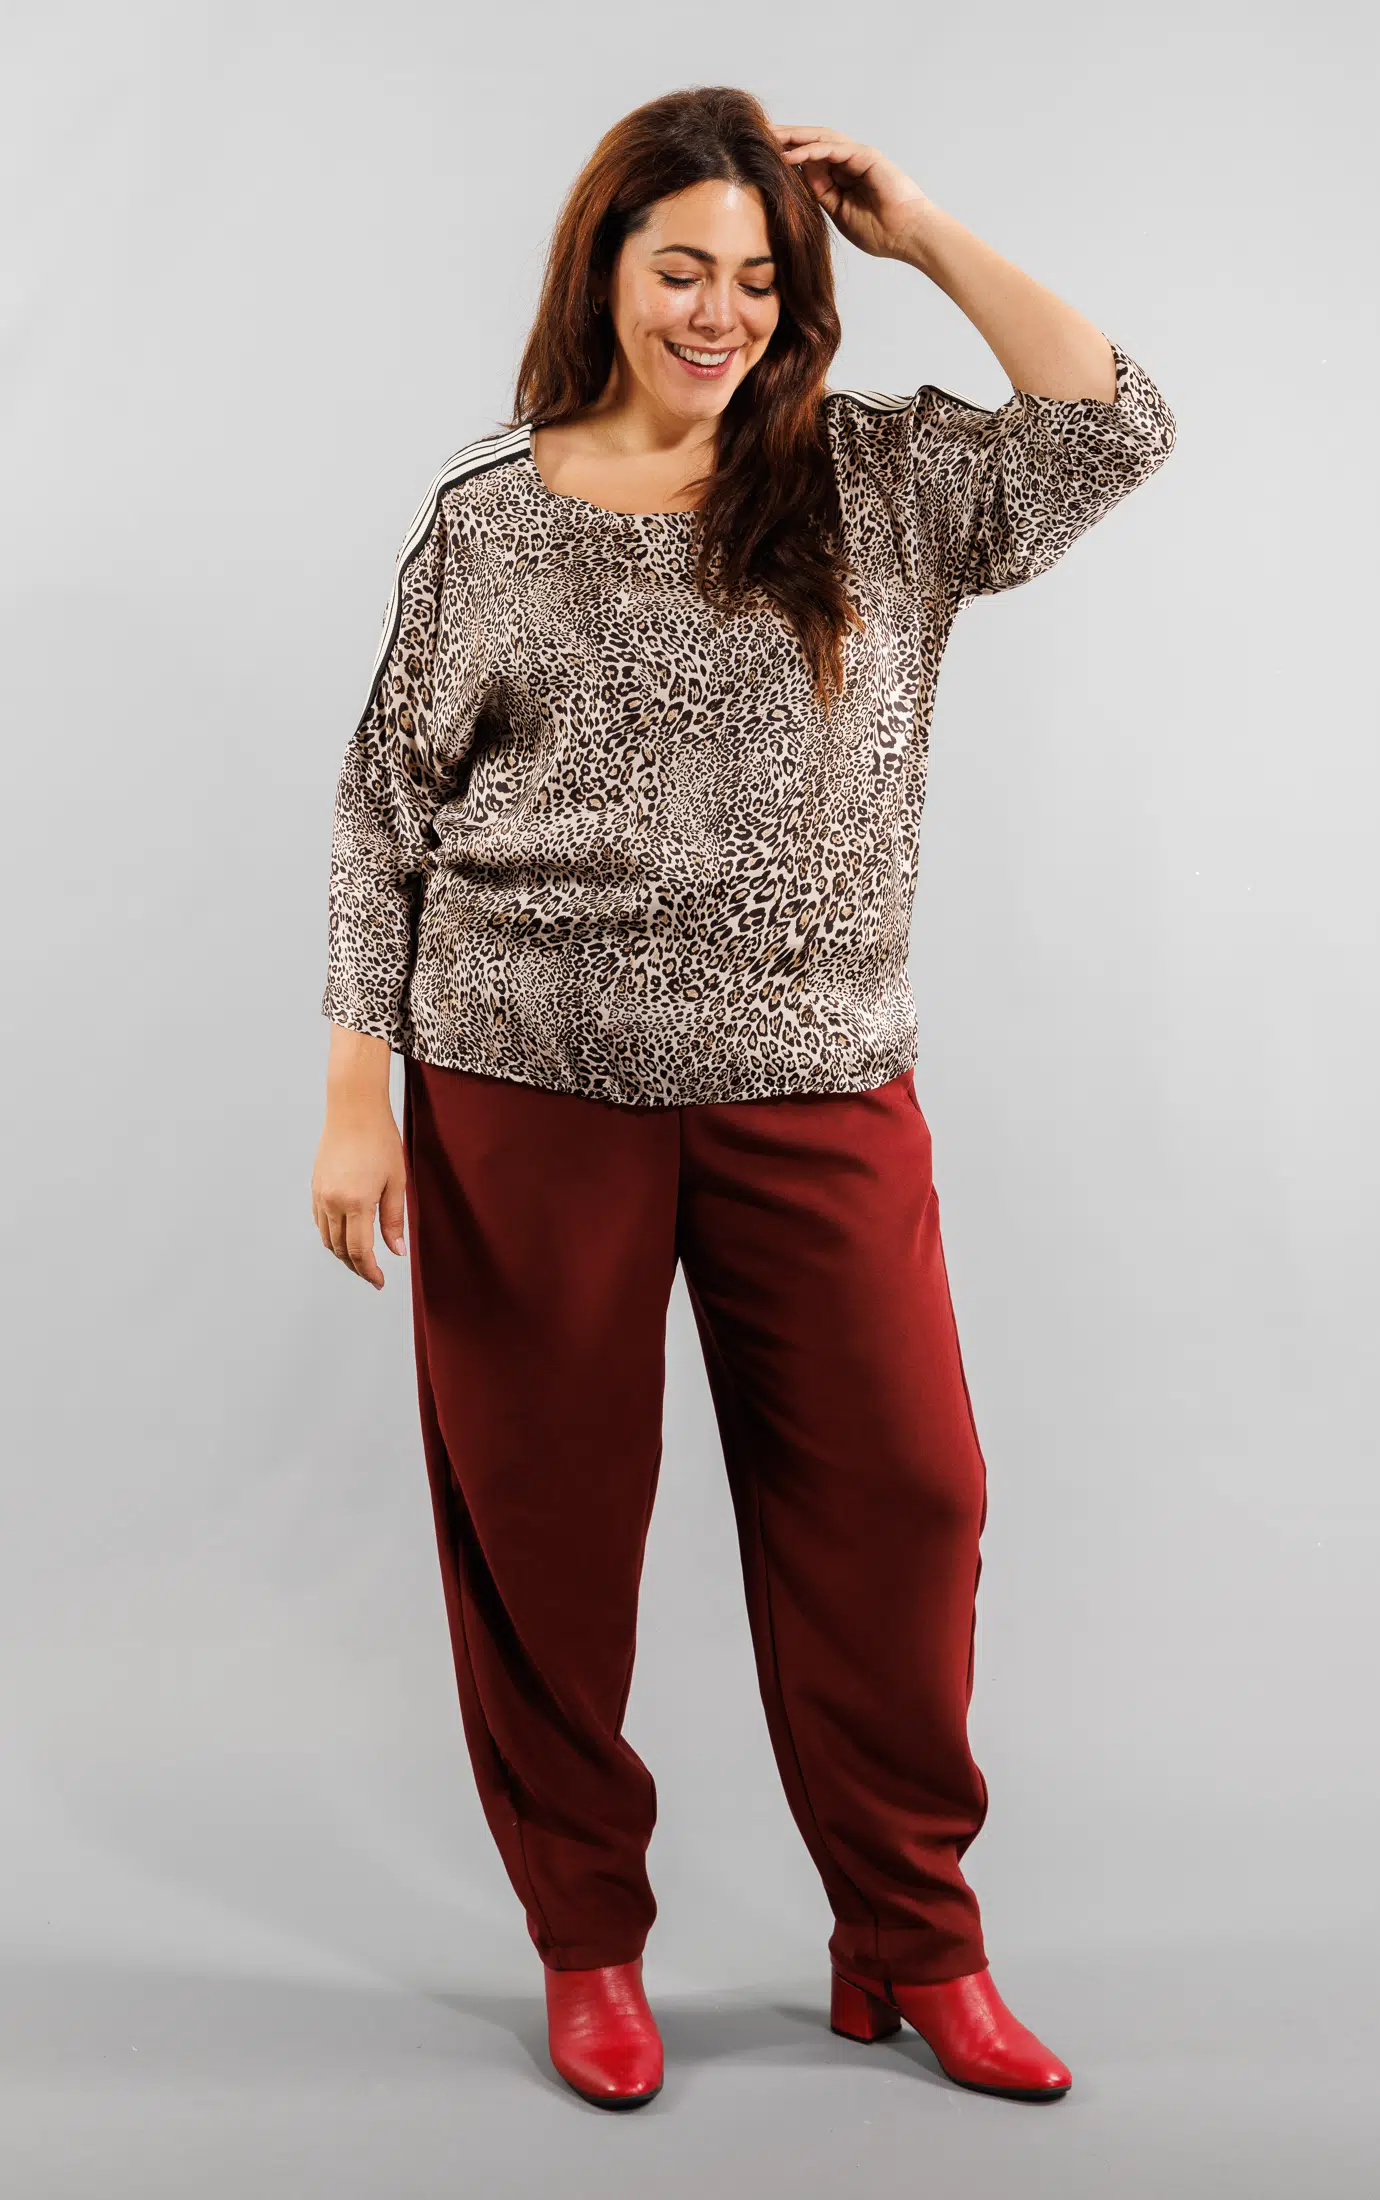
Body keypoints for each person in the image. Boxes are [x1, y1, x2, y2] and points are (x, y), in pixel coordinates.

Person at [311, 85, 1176, 2112]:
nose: (716, 311)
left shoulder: (876, 480)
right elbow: (384, 809)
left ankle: (912, 1934)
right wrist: (357, 1094)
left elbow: (1116, 426)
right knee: (544, 1526)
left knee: (906, 1497)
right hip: (526, 1078)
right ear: (602, 269)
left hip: (816, 1079)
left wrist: (920, 226)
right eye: (679, 267)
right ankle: (587, 1940)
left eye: (756, 278)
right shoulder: (490, 514)